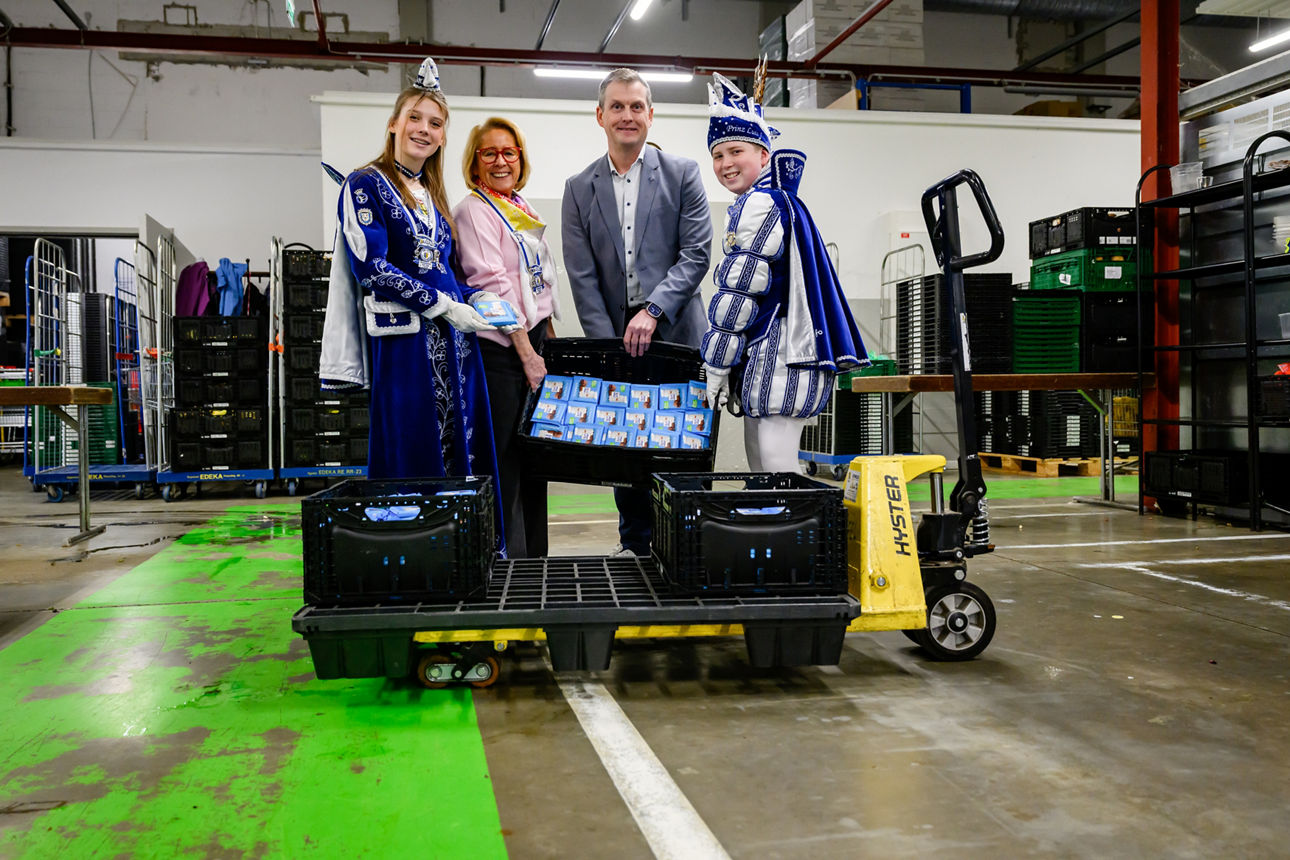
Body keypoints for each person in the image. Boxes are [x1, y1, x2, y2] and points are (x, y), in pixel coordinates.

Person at [319, 57, 505, 503]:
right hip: (404, 344)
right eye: (415, 118)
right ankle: (418, 552)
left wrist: (475, 298)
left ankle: (464, 547)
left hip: (457, 343)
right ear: (393, 124)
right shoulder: (364, 184)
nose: (424, 129)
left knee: (465, 444)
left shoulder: (435, 194)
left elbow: (445, 268)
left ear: (443, 136)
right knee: (412, 442)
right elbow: (372, 267)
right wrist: (442, 305)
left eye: (435, 123)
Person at [562, 67, 712, 557]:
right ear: (599, 115)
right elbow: (581, 276)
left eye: (636, 106)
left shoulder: (683, 173)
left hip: (677, 333)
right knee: (624, 440)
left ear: (651, 114)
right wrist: (608, 347)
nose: (627, 115)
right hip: (614, 333)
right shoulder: (578, 187)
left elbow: (696, 254)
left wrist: (652, 309)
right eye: (618, 107)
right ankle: (636, 545)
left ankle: (688, 545)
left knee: (682, 443)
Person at [701, 70, 868, 472]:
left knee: (775, 465)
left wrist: (716, 361)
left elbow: (739, 291)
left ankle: (787, 531)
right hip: (778, 354)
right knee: (764, 460)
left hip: (782, 356)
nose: (725, 164)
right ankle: (771, 529)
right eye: (718, 155)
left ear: (763, 155)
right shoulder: (771, 200)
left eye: (736, 152)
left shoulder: (760, 205)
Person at [453, 116, 561, 558]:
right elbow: (492, 287)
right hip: (501, 352)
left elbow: (542, 282)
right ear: (475, 163)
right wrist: (526, 352)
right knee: (508, 465)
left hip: (533, 341)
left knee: (537, 462)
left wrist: (550, 343)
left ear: (520, 159)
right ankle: (509, 566)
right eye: (490, 153)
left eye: (509, 152)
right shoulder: (473, 209)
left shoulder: (521, 206)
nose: (501, 161)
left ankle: (536, 561)